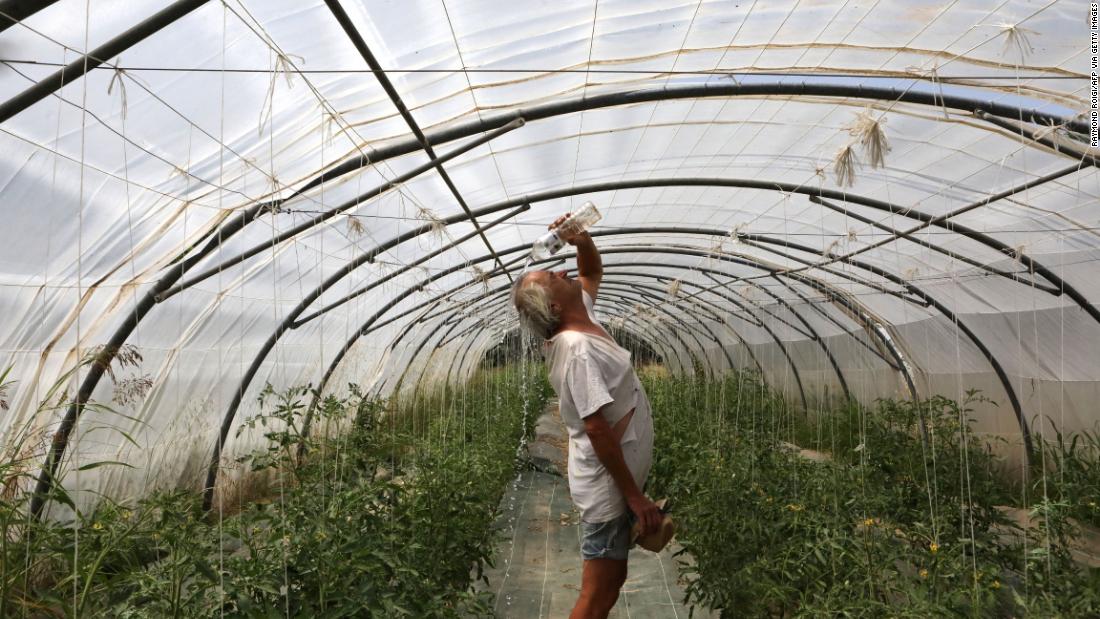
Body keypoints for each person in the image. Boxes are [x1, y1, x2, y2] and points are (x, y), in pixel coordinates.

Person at [511, 213, 662, 619]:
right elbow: (596, 428)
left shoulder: (584, 317)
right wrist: (634, 497)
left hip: (616, 486)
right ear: (555, 306)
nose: (563, 271)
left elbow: (591, 271)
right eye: (554, 277)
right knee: (596, 597)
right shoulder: (576, 348)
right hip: (608, 491)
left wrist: (581, 240)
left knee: (609, 586)